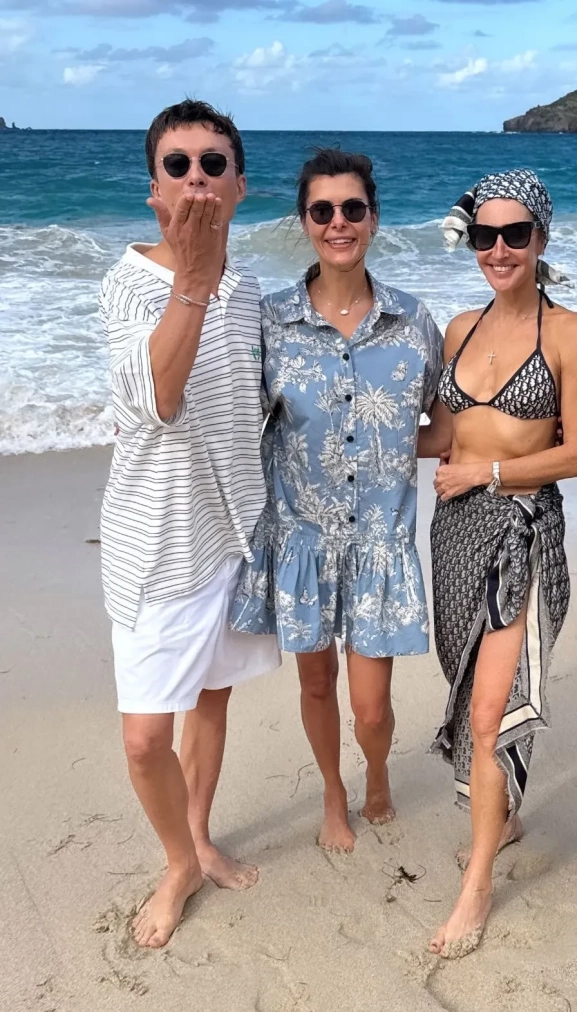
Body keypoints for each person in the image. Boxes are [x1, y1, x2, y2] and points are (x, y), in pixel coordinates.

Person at [99, 100, 281, 948]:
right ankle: (178, 863)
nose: (197, 178)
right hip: (155, 546)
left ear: (239, 187)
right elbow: (158, 399)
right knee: (145, 739)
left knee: (212, 693)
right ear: (154, 190)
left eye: (214, 164)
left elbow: (266, 407)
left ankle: (199, 835)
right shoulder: (129, 283)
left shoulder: (249, 293)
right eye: (178, 165)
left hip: (234, 532)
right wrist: (194, 283)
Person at [231, 149, 443, 854]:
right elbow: (241, 422)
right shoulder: (271, 321)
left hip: (380, 542)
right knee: (317, 684)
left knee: (372, 708)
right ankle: (332, 790)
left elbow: (445, 422)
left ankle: (376, 770)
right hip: (303, 541)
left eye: (352, 208)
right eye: (322, 210)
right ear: (304, 222)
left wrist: (396, 452)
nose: (338, 222)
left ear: (373, 218)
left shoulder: (414, 322)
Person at [420, 170, 577, 958]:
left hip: (523, 534)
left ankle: (478, 884)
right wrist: (351, 430)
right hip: (453, 534)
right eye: (485, 235)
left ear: (540, 238)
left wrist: (487, 475)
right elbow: (443, 436)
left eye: (514, 234)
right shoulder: (459, 328)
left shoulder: (569, 333)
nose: (498, 249)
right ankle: (508, 814)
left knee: (492, 711)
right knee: (466, 690)